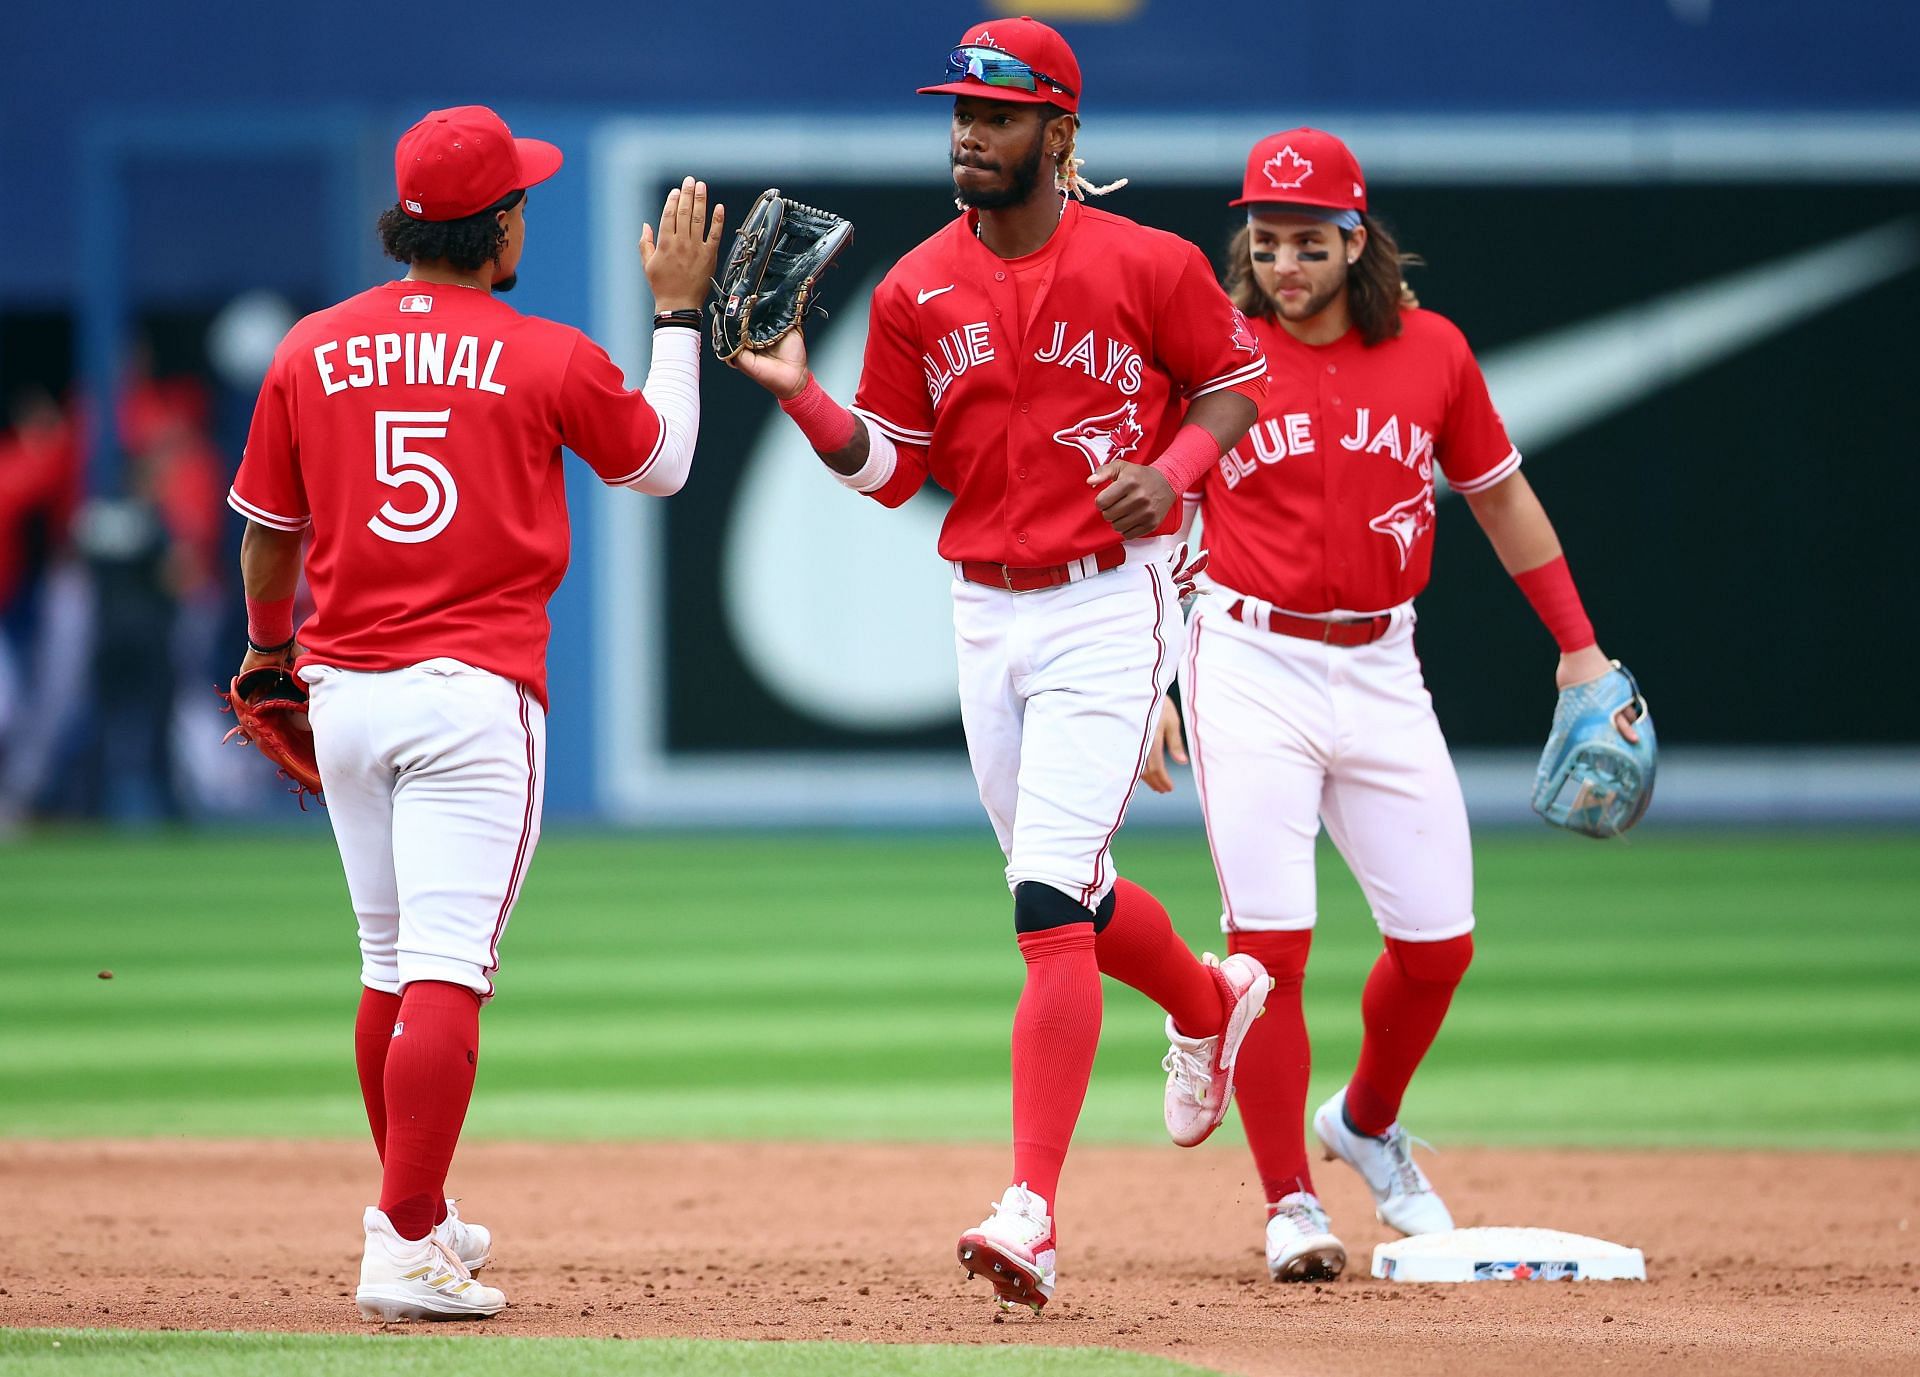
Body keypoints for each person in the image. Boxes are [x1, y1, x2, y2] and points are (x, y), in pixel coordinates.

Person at [727, 17, 1274, 1314]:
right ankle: (1209, 999)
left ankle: (1029, 1211)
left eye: (998, 112)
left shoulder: (1149, 262)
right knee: (1068, 892)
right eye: (960, 112)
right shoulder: (917, 285)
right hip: (982, 609)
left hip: (1108, 602)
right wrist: (799, 393)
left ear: (1060, 130)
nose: (970, 132)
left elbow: (1234, 385)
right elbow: (895, 473)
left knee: (1042, 904)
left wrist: (1177, 474)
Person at [227, 105, 721, 1320]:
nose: (524, 225)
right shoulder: (544, 351)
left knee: (388, 966)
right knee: (448, 971)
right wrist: (673, 316)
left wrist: (264, 659)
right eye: (521, 208)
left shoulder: (310, 347)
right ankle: (400, 1242)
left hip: (342, 690)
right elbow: (660, 462)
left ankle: (426, 1210)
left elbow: (268, 535)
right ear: (498, 227)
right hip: (469, 699)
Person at [1143, 128, 1643, 1282]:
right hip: (1247, 661)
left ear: (1356, 241)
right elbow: (1159, 520)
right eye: (1264, 242)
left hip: (1381, 664)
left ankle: (1363, 1122)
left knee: (1438, 947)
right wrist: (1153, 676)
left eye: (1308, 243)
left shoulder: (1434, 354)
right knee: (1268, 947)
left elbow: (1500, 497)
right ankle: (1288, 1207)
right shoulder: (1217, 359)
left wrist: (1581, 648)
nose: (1284, 264)